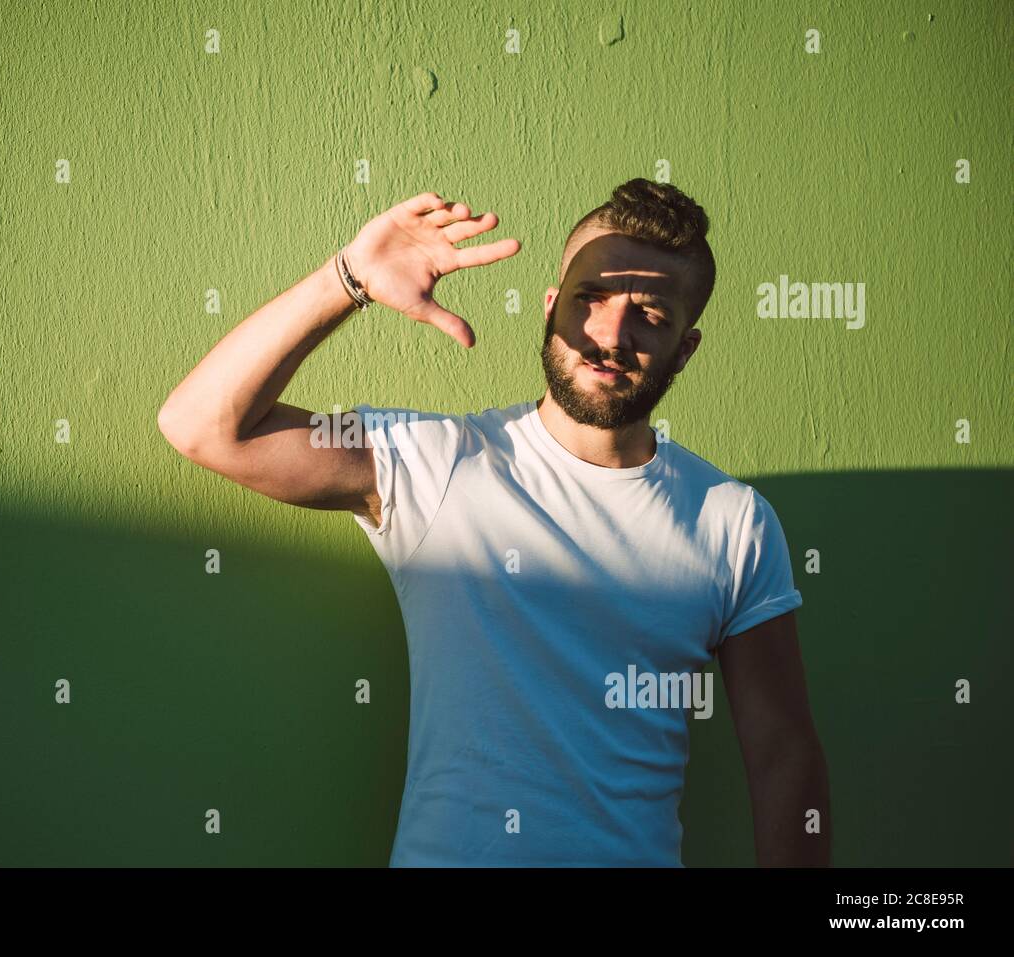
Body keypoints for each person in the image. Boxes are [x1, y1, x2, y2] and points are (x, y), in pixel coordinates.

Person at [158, 179, 830, 867]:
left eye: (650, 314)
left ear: (684, 349)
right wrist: (349, 280)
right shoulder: (433, 464)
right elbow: (201, 426)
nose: (609, 334)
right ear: (550, 307)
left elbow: (784, 757)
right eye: (589, 298)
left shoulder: (732, 520)